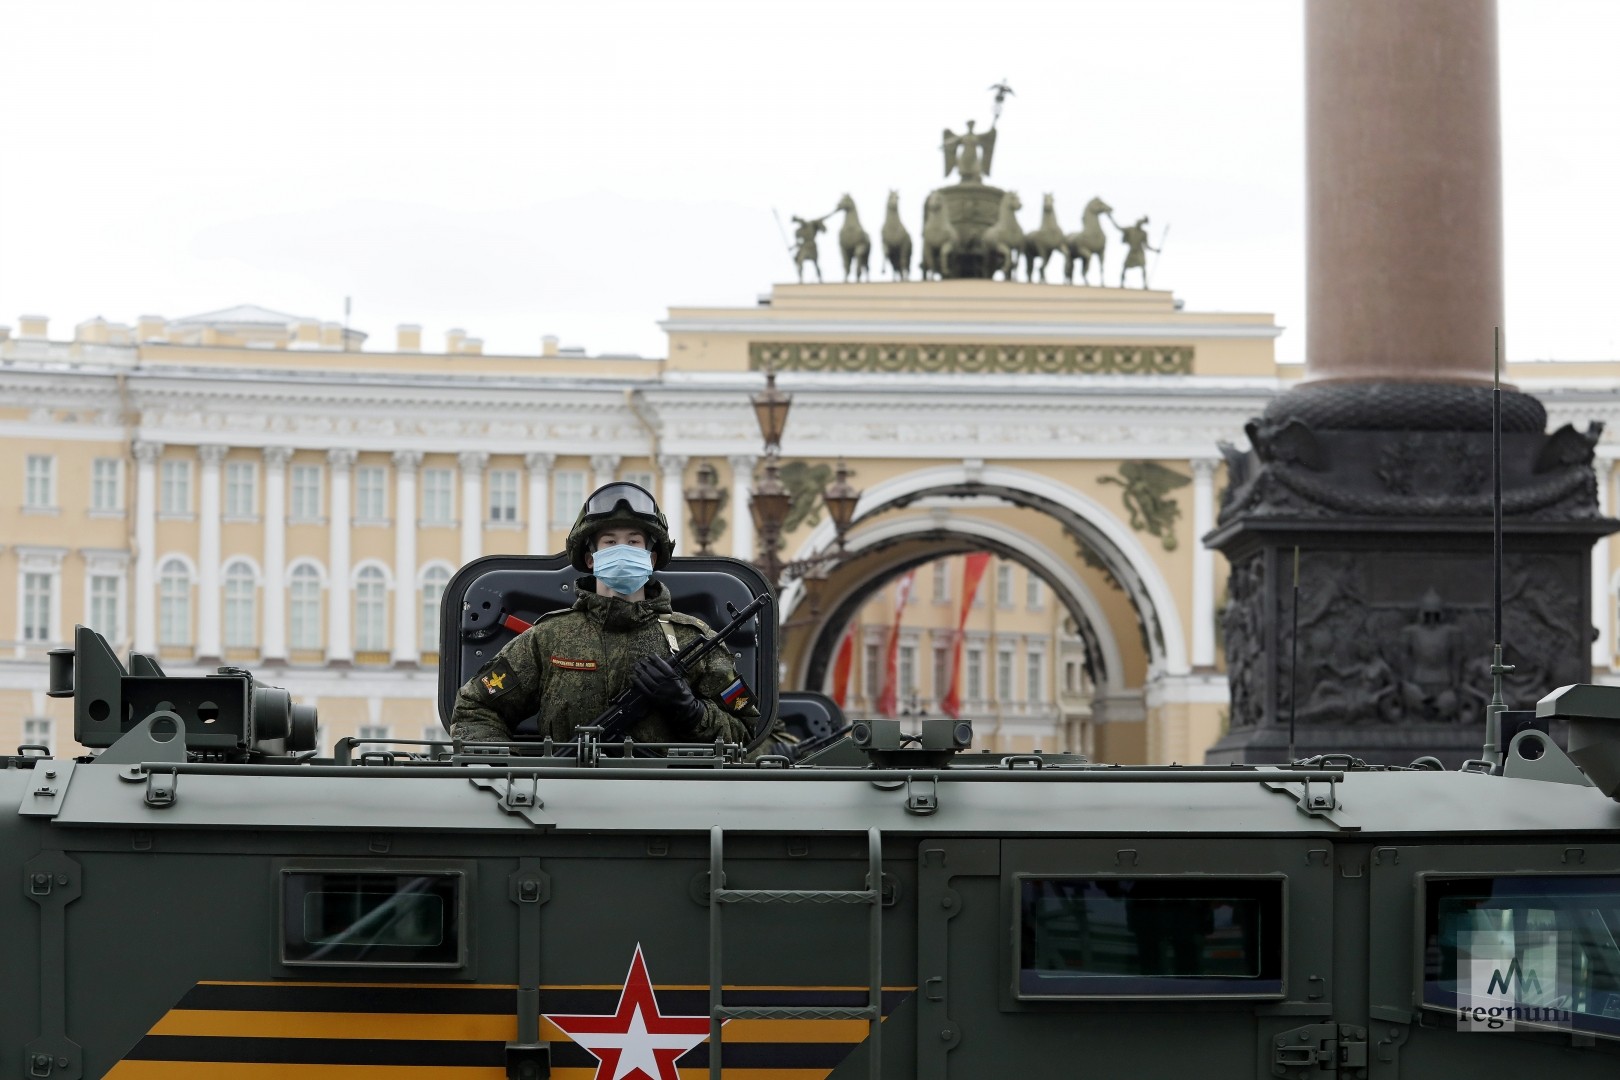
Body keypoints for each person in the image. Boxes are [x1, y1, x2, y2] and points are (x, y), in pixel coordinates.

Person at [449, 482, 763, 751]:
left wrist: (689, 709)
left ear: (651, 557)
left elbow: (744, 728)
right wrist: (514, 775)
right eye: (610, 542)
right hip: (563, 806)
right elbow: (476, 708)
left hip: (669, 808)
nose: (622, 549)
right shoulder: (549, 638)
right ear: (591, 557)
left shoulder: (692, 640)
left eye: (634, 542)